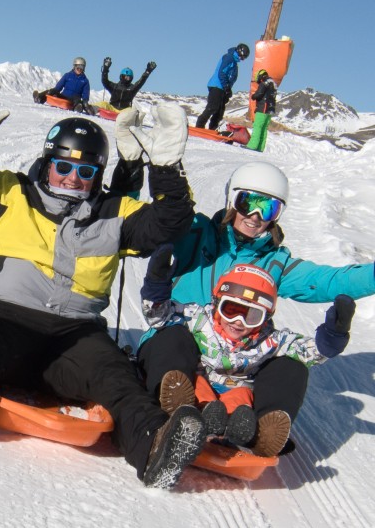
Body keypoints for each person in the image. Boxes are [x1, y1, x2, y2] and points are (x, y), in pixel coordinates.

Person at [0, 73, 208, 490]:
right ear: (47, 163)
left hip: (74, 335)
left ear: (98, 174)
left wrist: (167, 171)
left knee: (117, 380)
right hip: (3, 317)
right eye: (62, 166)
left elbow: (170, 223)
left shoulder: (115, 212)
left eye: (84, 171)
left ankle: (155, 446)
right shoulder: (11, 192)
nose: (71, 178)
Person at [135, 160, 375, 449]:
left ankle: (261, 428)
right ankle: (178, 405)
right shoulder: (195, 232)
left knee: (291, 364)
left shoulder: (275, 262)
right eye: (248, 202)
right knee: (173, 338)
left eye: (269, 208)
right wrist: (164, 169)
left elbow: (330, 281)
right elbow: (164, 220)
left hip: (236, 363)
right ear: (231, 200)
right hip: (182, 341)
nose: (255, 215)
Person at [140, 247, 355, 456]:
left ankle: (256, 433)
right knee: (181, 355)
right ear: (216, 304)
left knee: (256, 389)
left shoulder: (268, 340)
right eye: (231, 310)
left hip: (236, 395)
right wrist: (156, 285)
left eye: (252, 316)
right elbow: (159, 316)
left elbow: (309, 352)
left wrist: (333, 336)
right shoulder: (198, 319)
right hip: (199, 385)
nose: (238, 322)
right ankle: (184, 410)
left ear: (265, 319)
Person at [195, 43, 249, 130]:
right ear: (239, 52)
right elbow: (222, 73)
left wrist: (228, 89)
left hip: (223, 88)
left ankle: (213, 128)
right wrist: (226, 86)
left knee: (220, 111)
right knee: (213, 107)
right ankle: (200, 125)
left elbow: (231, 77)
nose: (242, 59)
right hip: (217, 85)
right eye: (242, 56)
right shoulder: (229, 58)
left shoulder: (234, 62)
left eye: (244, 58)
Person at [246, 68, 277, 151]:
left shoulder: (264, 83)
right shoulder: (273, 83)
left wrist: (253, 96)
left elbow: (259, 94)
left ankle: (252, 146)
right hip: (270, 109)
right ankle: (260, 147)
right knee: (264, 128)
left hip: (263, 107)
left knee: (258, 126)